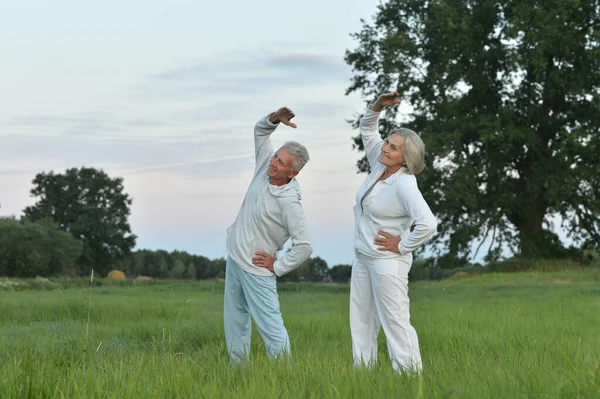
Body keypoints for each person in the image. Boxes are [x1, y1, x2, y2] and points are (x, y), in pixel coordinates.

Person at [350, 92, 437, 374]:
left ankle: (412, 380)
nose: (386, 148)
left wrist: (402, 245)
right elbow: (366, 128)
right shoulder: (380, 165)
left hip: (388, 262)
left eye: (394, 148)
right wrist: (377, 106)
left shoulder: (405, 184)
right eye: (388, 142)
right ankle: (363, 376)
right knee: (361, 322)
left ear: (406, 158)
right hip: (363, 257)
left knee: (396, 323)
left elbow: (427, 223)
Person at [224, 106, 313, 363]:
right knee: (235, 321)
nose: (274, 163)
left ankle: (286, 377)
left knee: (271, 328)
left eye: (281, 163)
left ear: (293, 173)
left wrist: (278, 264)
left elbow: (305, 245)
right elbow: (260, 133)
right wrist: (274, 119)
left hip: (258, 269)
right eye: (276, 157)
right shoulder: (265, 168)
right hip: (235, 258)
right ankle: (237, 370)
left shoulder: (290, 203)